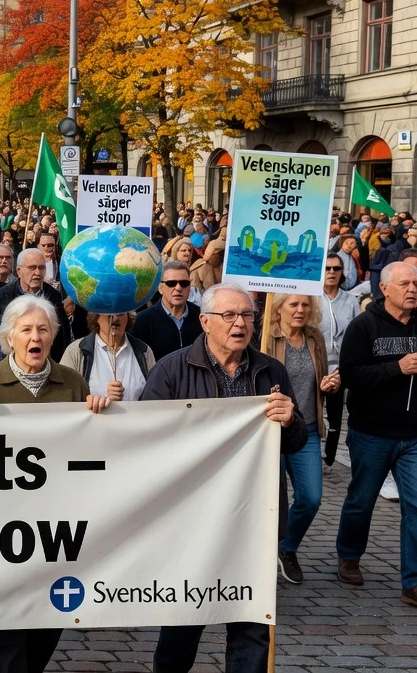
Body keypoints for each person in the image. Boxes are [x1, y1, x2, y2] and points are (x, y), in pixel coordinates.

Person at [141, 283, 303, 673]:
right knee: (184, 622)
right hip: (193, 520)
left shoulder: (271, 370)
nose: (240, 324)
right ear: (205, 321)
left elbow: (295, 441)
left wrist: (290, 420)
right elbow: (147, 439)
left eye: (247, 315)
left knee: (251, 626)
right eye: (229, 315)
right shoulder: (172, 369)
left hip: (254, 518)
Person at [0, 294, 110, 673]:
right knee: (10, 631)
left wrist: (100, 414)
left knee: (48, 620)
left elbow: (91, 447)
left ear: (53, 337)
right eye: (26, 329)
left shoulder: (73, 383)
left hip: (57, 529)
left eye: (43, 329)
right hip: (4, 530)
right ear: (9, 337)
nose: (35, 337)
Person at [336, 260, 417, 602]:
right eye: (405, 284)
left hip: (412, 435)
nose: (412, 290)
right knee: (362, 500)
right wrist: (396, 368)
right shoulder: (364, 326)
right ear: (384, 288)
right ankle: (349, 555)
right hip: (372, 432)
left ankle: (412, 582)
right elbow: (351, 375)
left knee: (415, 505)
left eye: (416, 284)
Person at [260, 293, 337, 584]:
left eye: (305, 305)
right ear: (279, 308)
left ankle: (286, 546)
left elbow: (319, 379)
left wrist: (328, 384)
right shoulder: (266, 337)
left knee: (310, 497)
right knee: (271, 498)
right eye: (293, 304)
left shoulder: (314, 338)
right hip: (272, 430)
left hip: (308, 428)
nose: (300, 310)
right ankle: (261, 554)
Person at [318, 253, 361, 466]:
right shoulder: (312, 299)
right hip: (317, 362)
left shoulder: (350, 300)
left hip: (340, 364)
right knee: (314, 406)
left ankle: (330, 454)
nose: (332, 272)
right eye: (327, 268)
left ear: (342, 272)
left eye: (336, 268)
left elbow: (358, 332)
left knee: (335, 410)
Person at [0, 249, 70, 360]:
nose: (37, 273)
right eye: (32, 268)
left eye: (41, 268)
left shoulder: (54, 296)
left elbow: (63, 336)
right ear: (18, 271)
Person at [60, 313, 155, 401]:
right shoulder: (76, 351)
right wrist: (101, 401)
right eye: (109, 314)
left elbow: (155, 395)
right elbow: (63, 397)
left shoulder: (144, 351)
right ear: (96, 317)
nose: (115, 318)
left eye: (120, 313)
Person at [133, 261, 203, 361]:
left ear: (189, 287)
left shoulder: (202, 317)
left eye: (184, 283)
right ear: (160, 288)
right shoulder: (142, 321)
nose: (178, 288)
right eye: (171, 283)